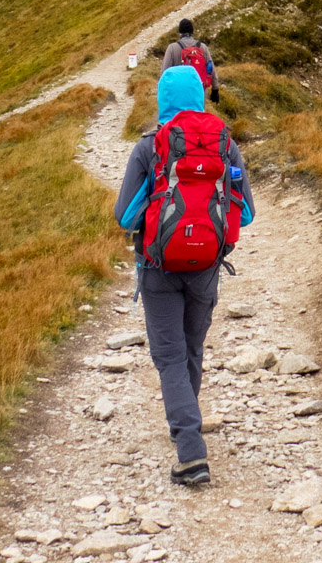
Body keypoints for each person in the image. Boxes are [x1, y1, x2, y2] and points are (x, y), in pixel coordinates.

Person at [114, 63, 253, 486]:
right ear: (199, 95)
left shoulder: (149, 147)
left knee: (169, 356)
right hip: (207, 266)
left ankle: (190, 449)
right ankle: (186, 420)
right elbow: (245, 213)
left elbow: (125, 216)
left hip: (157, 267)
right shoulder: (224, 143)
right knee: (191, 348)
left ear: (162, 100)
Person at [162, 17, 218, 101]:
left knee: (182, 114)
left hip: (179, 93)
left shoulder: (172, 48)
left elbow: (164, 72)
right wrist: (215, 89)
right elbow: (211, 69)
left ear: (180, 32)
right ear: (192, 32)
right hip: (199, 91)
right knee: (197, 113)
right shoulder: (203, 47)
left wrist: (163, 92)